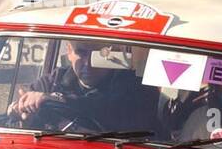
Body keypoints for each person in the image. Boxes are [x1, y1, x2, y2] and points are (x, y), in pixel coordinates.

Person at [9, 39, 158, 131]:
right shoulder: (52, 82)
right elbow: (16, 123)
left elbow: (107, 109)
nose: (88, 64)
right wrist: (22, 114)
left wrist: (55, 100)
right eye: (81, 52)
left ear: (113, 54)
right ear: (69, 51)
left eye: (99, 54)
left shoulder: (135, 88)